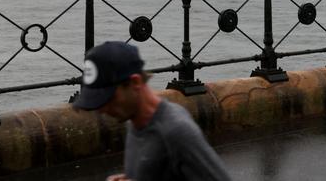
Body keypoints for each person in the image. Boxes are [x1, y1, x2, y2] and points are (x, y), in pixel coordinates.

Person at [73, 41, 231, 181]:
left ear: (135, 82)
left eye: (108, 98)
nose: (102, 109)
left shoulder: (176, 131)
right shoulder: (135, 122)